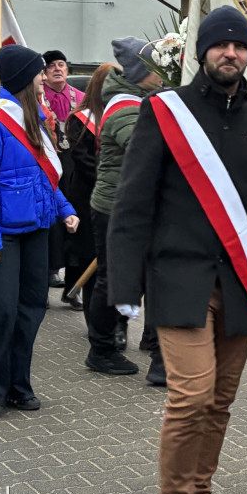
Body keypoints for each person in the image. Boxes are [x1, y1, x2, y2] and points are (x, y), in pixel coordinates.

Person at [107, 6, 247, 494]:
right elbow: (133, 203)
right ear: (201, 52)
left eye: (240, 46)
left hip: (239, 282)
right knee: (191, 397)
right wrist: (124, 282)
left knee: (219, 402)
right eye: (221, 45)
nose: (232, 53)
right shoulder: (165, 112)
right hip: (179, 279)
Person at [0, 45, 78, 419]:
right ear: (25, 77)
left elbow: (41, 174)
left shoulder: (35, 118)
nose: (45, 77)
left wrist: (64, 209)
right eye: (39, 72)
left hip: (36, 230)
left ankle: (18, 385)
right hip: (2, 236)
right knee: (0, 313)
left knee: (30, 310)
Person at [84, 39, 161, 378]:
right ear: (140, 73)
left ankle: (137, 338)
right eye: (156, 70)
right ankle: (100, 350)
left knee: (140, 276)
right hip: (115, 207)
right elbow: (143, 149)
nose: (161, 76)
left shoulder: (140, 100)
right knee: (111, 279)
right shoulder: (124, 106)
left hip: (133, 206)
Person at [59, 63, 115, 312]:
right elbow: (83, 160)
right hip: (88, 196)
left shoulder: (120, 114)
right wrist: (112, 179)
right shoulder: (80, 119)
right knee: (90, 257)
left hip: (116, 196)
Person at [42, 49, 83, 290]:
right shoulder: (38, 99)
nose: (58, 69)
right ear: (44, 74)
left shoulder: (81, 97)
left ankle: (73, 281)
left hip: (75, 165)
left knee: (74, 217)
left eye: (62, 65)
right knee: (53, 220)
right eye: (52, 66)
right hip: (50, 163)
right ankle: (50, 268)